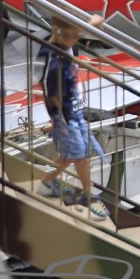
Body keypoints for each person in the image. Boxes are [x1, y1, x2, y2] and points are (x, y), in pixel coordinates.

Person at [37, 13, 111, 221]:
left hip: (74, 110)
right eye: (72, 36)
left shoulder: (64, 41)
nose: (74, 41)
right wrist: (59, 121)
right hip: (65, 116)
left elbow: (86, 24)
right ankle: (88, 195)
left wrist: (92, 23)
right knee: (80, 156)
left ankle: (48, 181)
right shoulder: (53, 61)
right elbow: (51, 96)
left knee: (72, 155)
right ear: (57, 31)